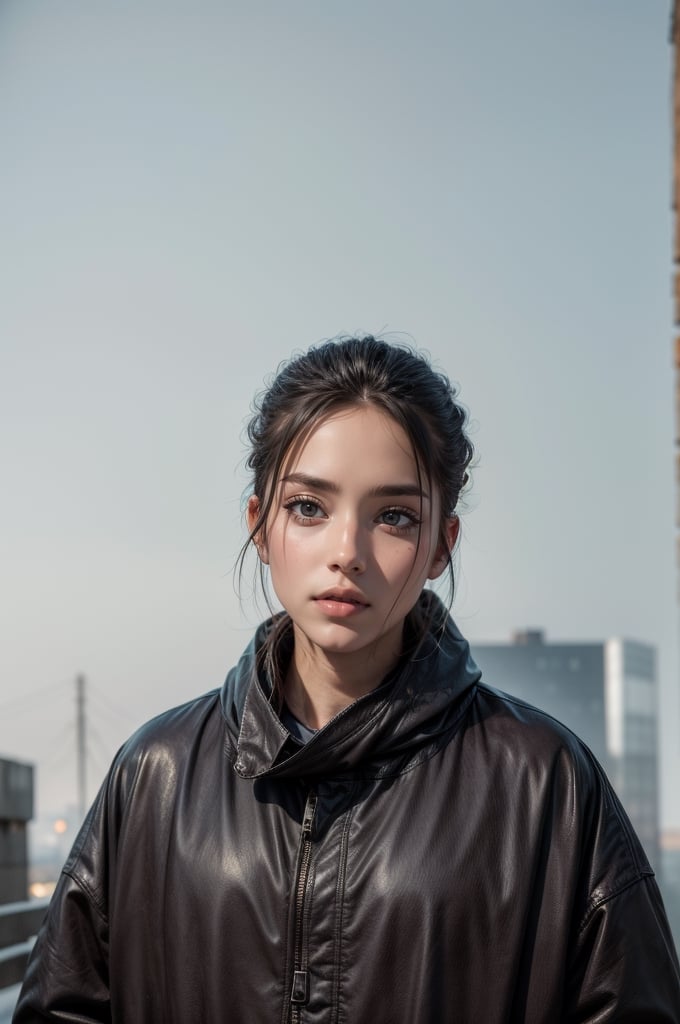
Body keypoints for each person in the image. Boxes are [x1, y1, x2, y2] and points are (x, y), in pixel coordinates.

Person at [14, 335, 680, 1023]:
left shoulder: (547, 783)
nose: (346, 553)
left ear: (440, 548)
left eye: (394, 517)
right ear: (260, 525)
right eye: (308, 506)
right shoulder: (154, 775)